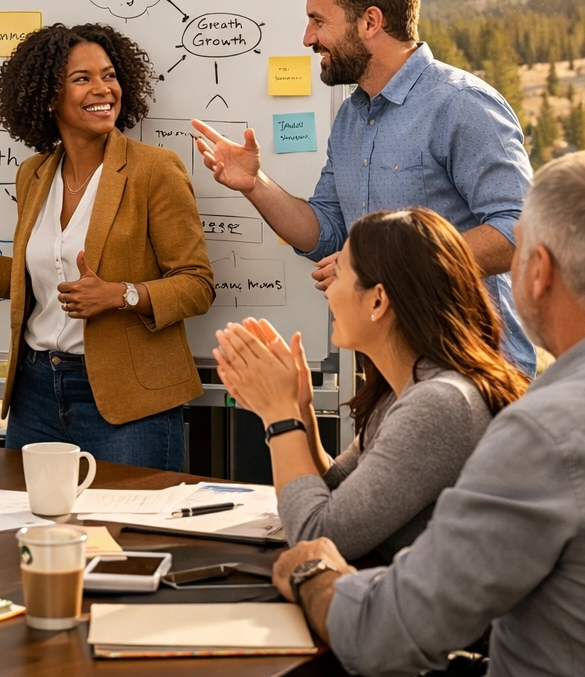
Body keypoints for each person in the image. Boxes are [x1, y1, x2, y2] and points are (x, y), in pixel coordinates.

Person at [272, 151, 585, 677]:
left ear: (539, 272)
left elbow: (382, 635)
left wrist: (314, 572)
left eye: (517, 250)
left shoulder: (547, 434)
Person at [192, 0, 536, 375]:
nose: (308, 37)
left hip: (475, 370)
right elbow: (327, 233)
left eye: (318, 20)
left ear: (370, 21)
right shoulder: (352, 117)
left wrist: (386, 265)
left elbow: (518, 233)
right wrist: (254, 184)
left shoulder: (460, 104)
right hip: (390, 372)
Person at [0, 23, 214, 470]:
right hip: (37, 394)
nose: (103, 89)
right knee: (34, 528)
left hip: (128, 399)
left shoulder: (154, 170)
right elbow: (35, 281)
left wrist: (120, 294)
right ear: (49, 97)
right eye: (82, 79)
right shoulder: (34, 174)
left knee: (125, 537)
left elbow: (197, 284)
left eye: (109, 75)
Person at [214, 208, 527, 563]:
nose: (328, 290)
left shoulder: (439, 403)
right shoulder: (405, 389)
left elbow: (320, 538)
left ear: (378, 300)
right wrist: (301, 412)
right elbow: (343, 492)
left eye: (340, 274)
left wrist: (279, 416)